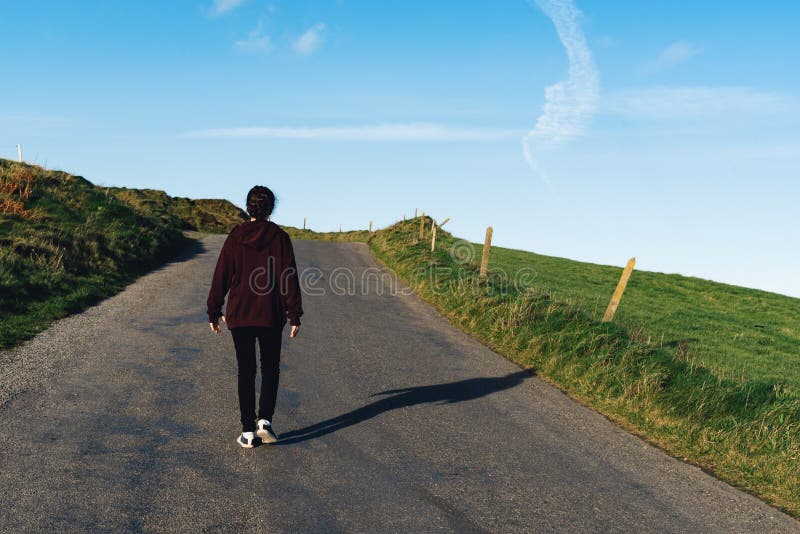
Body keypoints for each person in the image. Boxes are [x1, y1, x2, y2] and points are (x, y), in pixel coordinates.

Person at [207, 185, 303, 448]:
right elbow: (289, 279)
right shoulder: (280, 238)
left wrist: (214, 310)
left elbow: (222, 275)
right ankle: (265, 422)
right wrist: (294, 315)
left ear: (248, 206)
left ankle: (247, 431)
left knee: (246, 371)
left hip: (240, 314)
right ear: (271, 209)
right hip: (270, 314)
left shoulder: (236, 236)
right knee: (271, 368)